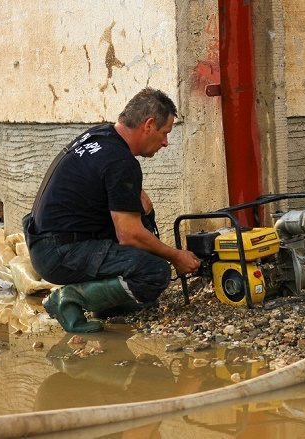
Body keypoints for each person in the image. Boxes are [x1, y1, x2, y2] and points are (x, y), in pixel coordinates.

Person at [23, 88, 201, 333]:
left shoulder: (101, 136)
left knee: (144, 246)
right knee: (154, 271)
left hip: (48, 242)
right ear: (148, 125)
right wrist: (175, 256)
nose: (165, 143)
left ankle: (104, 304)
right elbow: (129, 235)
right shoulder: (120, 161)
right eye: (164, 133)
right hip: (59, 252)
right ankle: (69, 300)